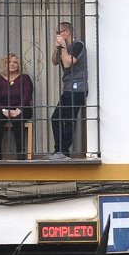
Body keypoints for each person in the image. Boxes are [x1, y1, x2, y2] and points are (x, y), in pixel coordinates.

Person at [49, 21, 88, 159]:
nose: (57, 35)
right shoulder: (63, 47)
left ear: (67, 32)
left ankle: (63, 151)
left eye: (59, 32)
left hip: (78, 88)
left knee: (69, 119)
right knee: (56, 118)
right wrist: (58, 48)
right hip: (68, 88)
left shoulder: (78, 45)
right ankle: (59, 150)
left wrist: (64, 47)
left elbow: (67, 63)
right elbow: (54, 61)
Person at [0, 52, 33, 160]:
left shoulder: (25, 78)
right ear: (4, 64)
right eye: (9, 62)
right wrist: (3, 110)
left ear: (19, 65)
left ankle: (21, 152)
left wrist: (19, 109)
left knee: (18, 119)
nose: (12, 64)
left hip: (22, 108)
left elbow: (27, 96)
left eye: (15, 62)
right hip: (2, 109)